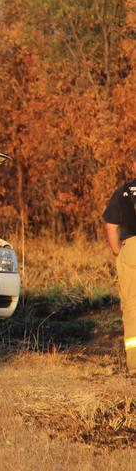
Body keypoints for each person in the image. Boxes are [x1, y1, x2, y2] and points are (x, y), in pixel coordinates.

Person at [102, 150, 136, 376]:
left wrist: (117, 251)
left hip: (131, 249)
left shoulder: (124, 192)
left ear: (134, 165)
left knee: (133, 307)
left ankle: (134, 363)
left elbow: (111, 225)